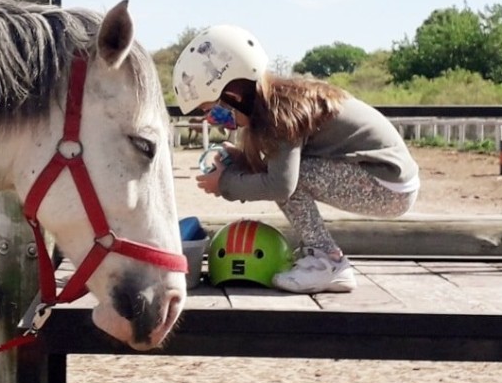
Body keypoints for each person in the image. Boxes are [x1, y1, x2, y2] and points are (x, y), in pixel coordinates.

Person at [173, 24, 420, 294]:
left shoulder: (280, 115)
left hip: (389, 186)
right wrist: (243, 161)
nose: (219, 124)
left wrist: (224, 184)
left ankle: (328, 263)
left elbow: (281, 185)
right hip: (386, 180)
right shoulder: (280, 101)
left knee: (288, 179)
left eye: (215, 114)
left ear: (234, 95)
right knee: (286, 175)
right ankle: (321, 257)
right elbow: (282, 168)